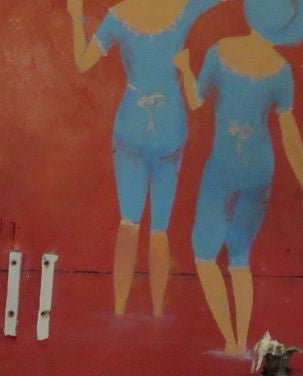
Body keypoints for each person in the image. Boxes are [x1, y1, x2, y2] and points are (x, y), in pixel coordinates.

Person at [67, 0, 225, 318]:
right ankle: (156, 312)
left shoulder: (118, 16)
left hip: (132, 125)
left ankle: (120, 310)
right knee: (159, 228)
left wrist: (75, 16)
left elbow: (83, 62)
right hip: (170, 125)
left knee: (129, 223)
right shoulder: (183, 8)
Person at [188, 0, 303, 356]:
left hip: (223, 167)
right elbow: (290, 136)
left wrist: (184, 68)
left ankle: (230, 340)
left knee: (204, 255)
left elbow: (196, 99)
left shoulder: (220, 51)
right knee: (240, 257)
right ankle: (241, 339)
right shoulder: (281, 70)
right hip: (260, 170)